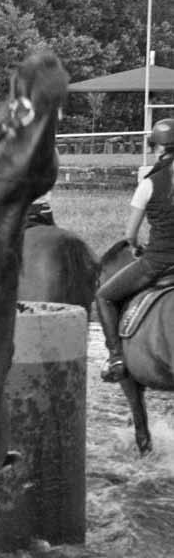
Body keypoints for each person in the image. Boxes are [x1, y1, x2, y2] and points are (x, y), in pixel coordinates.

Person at [96, 118, 174, 382]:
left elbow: (129, 234)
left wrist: (135, 245)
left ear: (158, 148)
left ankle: (116, 357)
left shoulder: (149, 183)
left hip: (159, 262)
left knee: (104, 297)